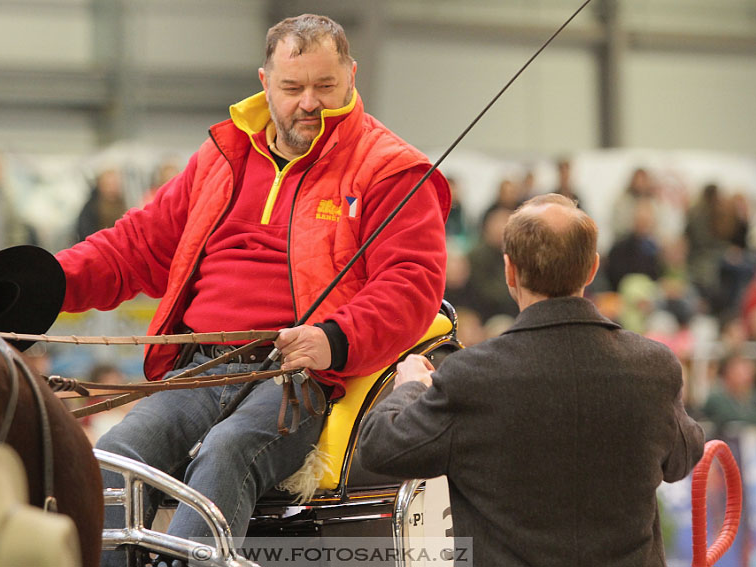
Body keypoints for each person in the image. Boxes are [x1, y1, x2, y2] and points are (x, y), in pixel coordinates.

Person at [54, 13, 449, 564]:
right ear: (264, 82)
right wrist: (46, 281)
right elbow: (135, 246)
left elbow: (413, 284)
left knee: (227, 452)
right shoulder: (222, 156)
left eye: (325, 86)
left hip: (297, 379)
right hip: (200, 365)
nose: (309, 102)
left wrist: (335, 338)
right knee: (116, 456)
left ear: (352, 77)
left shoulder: (391, 171)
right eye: (292, 87)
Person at [359, 193, 703, 567]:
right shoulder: (654, 367)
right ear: (592, 269)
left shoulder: (471, 376)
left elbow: (380, 447)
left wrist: (409, 385)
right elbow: (683, 457)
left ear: (510, 271)